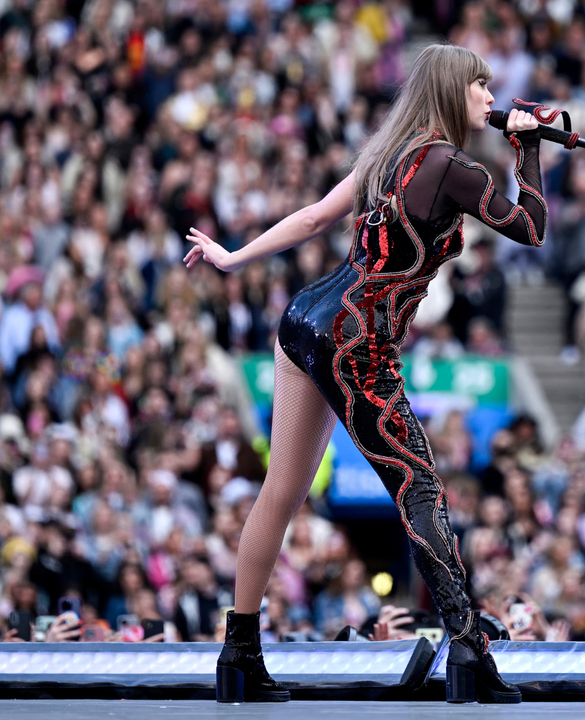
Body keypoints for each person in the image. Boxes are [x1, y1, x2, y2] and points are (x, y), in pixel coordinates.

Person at [183, 43, 546, 704]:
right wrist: (530, 154)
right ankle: (468, 652)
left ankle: (238, 657)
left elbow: (316, 217)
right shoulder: (453, 168)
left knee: (282, 491)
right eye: (481, 87)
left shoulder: (389, 153)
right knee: (422, 491)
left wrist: (236, 258)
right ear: (450, 90)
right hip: (357, 346)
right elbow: (532, 228)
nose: (491, 99)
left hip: (305, 319)